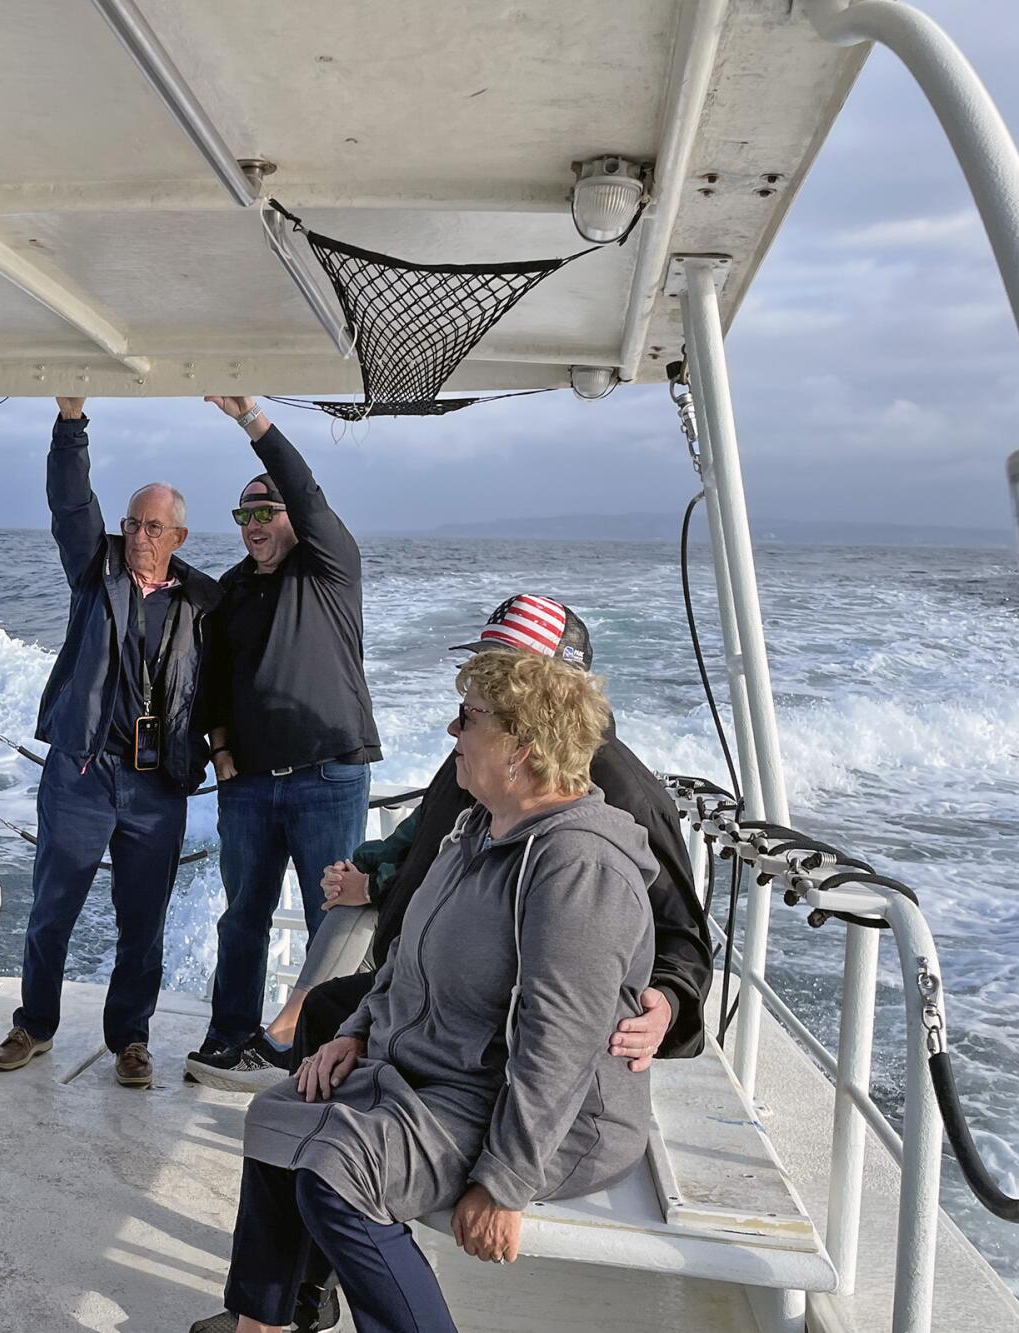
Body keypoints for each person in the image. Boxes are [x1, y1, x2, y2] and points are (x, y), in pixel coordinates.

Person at [190, 648, 656, 1333]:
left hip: (540, 1113)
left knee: (338, 1172)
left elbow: (559, 1046)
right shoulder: (477, 829)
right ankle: (266, 1322)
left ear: (522, 749)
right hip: (439, 1073)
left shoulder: (577, 866)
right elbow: (406, 959)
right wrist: (354, 1031)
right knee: (275, 1119)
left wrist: (505, 1181)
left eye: (468, 718)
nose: (451, 731)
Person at [191, 594, 713, 1094]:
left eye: (499, 675)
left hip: (485, 1018)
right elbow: (427, 839)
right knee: (332, 1015)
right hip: (423, 970)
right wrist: (375, 882)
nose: (472, 701)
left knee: (330, 1022)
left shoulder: (619, 792)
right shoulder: (483, 751)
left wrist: (665, 1004)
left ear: (544, 696)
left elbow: (679, 937)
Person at [0, 396, 221, 1087]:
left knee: (142, 923)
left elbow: (222, 690)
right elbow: (69, 503)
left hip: (157, 785)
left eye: (153, 526)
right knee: (52, 908)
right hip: (83, 772)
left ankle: (131, 1038)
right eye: (131, 522)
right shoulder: (98, 570)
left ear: (178, 535)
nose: (139, 534)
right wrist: (71, 423)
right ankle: (33, 1022)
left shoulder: (203, 603)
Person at [188, 395, 382, 1087]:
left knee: (338, 920)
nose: (254, 524)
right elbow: (208, 688)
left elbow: (301, 485)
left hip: (327, 775)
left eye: (266, 511)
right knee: (242, 915)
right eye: (244, 514)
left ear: (295, 519)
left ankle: (324, 1047)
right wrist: (221, 753)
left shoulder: (330, 567)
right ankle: (230, 1036)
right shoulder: (230, 592)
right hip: (247, 786)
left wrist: (252, 422)